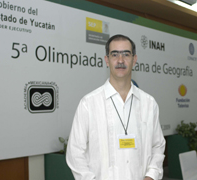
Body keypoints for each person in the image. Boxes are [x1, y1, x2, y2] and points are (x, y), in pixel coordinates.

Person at [66, 34, 166, 180]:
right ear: (107, 60)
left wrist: (151, 176)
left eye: (126, 54)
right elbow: (75, 153)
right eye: (114, 54)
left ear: (134, 59)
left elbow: (157, 146)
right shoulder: (88, 104)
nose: (120, 60)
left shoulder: (149, 103)